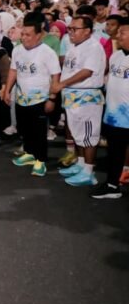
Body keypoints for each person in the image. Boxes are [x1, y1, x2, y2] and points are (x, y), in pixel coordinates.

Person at [3, 12, 61, 177]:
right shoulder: (17, 50)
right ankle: (29, 153)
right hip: (21, 97)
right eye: (22, 34)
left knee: (39, 132)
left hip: (40, 99)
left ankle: (40, 160)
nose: (24, 37)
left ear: (38, 35)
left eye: (28, 35)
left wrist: (52, 99)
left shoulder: (47, 52)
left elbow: (55, 76)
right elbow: (13, 70)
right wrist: (7, 90)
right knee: (24, 128)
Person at [53, 16, 106, 187]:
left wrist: (62, 84)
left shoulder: (93, 47)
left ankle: (89, 172)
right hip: (72, 96)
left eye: (74, 29)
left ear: (87, 31)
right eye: (69, 28)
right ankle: (81, 164)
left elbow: (86, 72)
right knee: (78, 134)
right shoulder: (74, 47)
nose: (70, 32)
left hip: (87, 97)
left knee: (88, 136)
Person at [93, 17, 129, 198]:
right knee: (114, 152)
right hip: (114, 116)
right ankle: (112, 186)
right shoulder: (116, 56)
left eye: (123, 32)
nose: (118, 35)